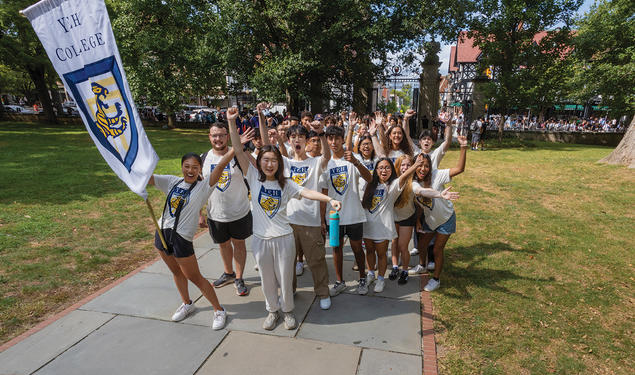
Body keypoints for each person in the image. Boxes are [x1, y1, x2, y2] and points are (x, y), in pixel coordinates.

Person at [227, 107, 341, 330]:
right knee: (269, 280)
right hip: (261, 239)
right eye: (265, 160)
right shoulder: (253, 176)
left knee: (292, 272)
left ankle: (288, 311)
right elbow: (239, 150)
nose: (270, 164)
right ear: (259, 162)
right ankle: (272, 311)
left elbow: (307, 192)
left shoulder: (286, 183)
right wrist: (232, 122)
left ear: (279, 163)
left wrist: (328, 202)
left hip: (285, 236)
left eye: (273, 161)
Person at [257, 103, 333, 310]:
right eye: (293, 137)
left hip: (310, 221)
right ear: (289, 141)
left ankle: (323, 292)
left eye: (301, 137)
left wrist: (322, 133)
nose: (297, 140)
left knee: (316, 260)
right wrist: (261, 116)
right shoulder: (284, 163)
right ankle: (289, 291)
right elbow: (265, 144)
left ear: (307, 141)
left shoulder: (315, 162)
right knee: (287, 263)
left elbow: (327, 156)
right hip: (287, 223)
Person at [148, 150, 236, 329]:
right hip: (162, 233)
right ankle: (187, 303)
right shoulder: (173, 181)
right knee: (177, 273)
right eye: (186, 166)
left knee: (195, 277)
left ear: (200, 169)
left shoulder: (204, 187)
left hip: (182, 239)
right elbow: (147, 179)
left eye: (195, 167)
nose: (190, 170)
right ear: (181, 167)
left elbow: (220, 166)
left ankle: (219, 310)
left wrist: (235, 148)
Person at [199, 122, 253, 296]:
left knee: (239, 244)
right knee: (223, 245)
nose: (218, 139)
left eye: (222, 135)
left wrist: (241, 148)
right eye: (214, 135)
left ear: (227, 137)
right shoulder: (203, 158)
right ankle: (228, 273)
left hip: (239, 211)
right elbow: (199, 188)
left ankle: (239, 277)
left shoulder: (239, 153)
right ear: (209, 137)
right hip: (216, 213)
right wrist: (200, 213)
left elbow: (254, 169)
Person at [413, 134, 468, 292]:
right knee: (422, 245)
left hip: (446, 218)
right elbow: (419, 201)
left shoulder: (438, 175)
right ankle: (422, 266)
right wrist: (418, 221)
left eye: (426, 166)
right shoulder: (415, 182)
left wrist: (463, 148)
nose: (423, 169)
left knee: (437, 250)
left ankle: (436, 280)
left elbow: (460, 169)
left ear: (430, 167)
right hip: (430, 221)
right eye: (419, 165)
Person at [323, 125, 373, 295]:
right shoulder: (325, 163)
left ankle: (362, 278)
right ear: (327, 140)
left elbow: (370, 178)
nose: (333, 142)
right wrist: (322, 218)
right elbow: (323, 191)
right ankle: (339, 281)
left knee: (357, 248)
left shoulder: (352, 158)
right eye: (330, 138)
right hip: (334, 216)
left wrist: (356, 162)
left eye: (337, 138)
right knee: (336, 248)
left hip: (354, 214)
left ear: (342, 139)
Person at [360, 157, 421, 293]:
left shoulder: (393, 186)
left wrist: (415, 165)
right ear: (376, 170)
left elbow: (403, 177)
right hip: (367, 226)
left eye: (387, 167)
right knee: (369, 252)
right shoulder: (369, 184)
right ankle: (370, 274)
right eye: (381, 167)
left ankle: (381, 279)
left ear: (392, 170)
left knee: (381, 255)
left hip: (383, 229)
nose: (384, 170)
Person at [389, 155, 417, 283]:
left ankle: (405, 270)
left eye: (408, 165)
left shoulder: (413, 182)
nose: (405, 168)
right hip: (393, 217)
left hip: (407, 217)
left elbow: (421, 191)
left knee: (403, 246)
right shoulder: (393, 181)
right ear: (398, 166)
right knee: (394, 243)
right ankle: (395, 267)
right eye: (402, 165)